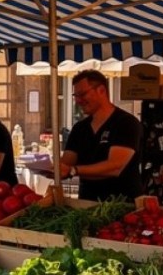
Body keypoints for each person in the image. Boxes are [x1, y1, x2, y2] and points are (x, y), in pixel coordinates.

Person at [57, 70, 144, 201]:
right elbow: (66, 164)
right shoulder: (79, 128)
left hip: (122, 205)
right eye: (76, 95)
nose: (78, 101)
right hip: (87, 204)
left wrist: (73, 170)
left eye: (82, 94)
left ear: (102, 90)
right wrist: (53, 169)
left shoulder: (126, 123)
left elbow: (115, 166)